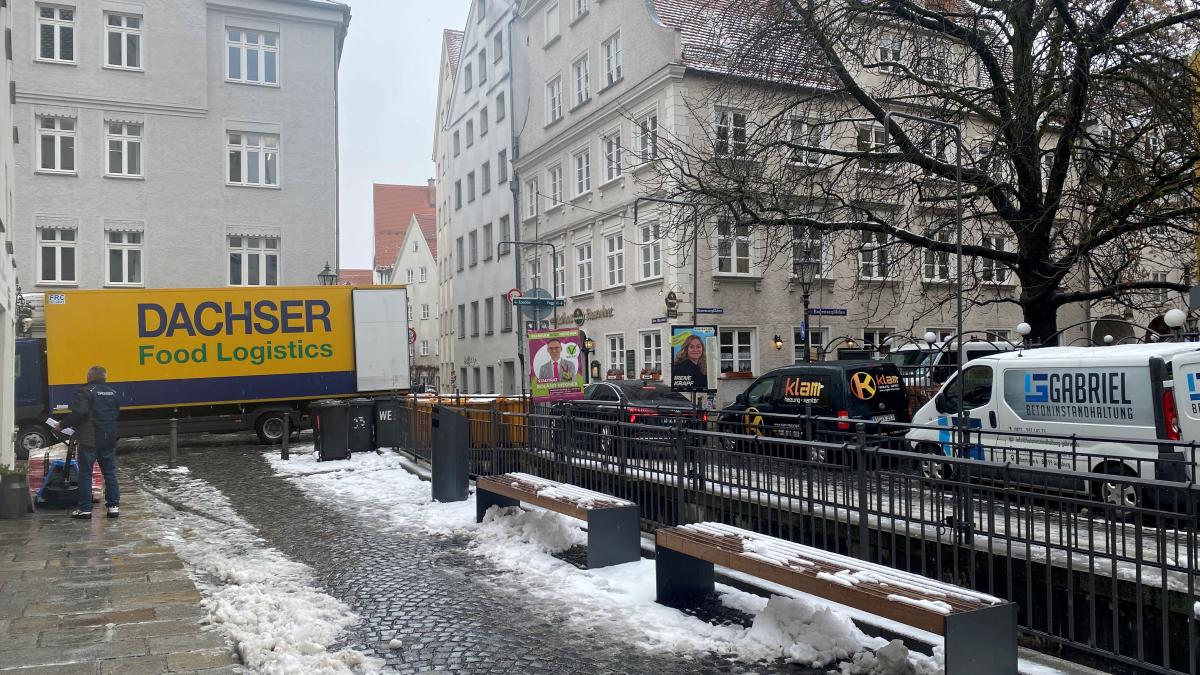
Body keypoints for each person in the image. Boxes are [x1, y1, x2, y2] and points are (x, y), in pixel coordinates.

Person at [61, 366, 121, 520]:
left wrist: (62, 424)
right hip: (108, 439)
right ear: (104, 377)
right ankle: (113, 507)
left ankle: (85, 510)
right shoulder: (113, 392)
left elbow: (79, 413)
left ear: (89, 376)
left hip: (89, 440)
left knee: (86, 474)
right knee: (110, 473)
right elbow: (116, 412)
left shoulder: (86, 391)